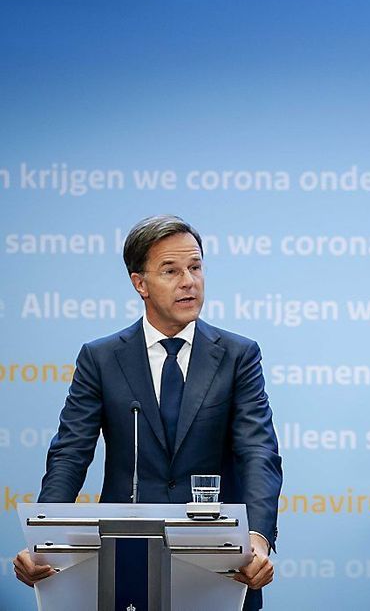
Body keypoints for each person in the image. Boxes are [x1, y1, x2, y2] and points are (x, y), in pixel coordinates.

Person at [13, 215, 283, 610]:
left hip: (219, 561)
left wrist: (257, 539)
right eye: (171, 271)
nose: (188, 281)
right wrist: (43, 543)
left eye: (195, 267)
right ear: (140, 283)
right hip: (124, 557)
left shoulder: (238, 355)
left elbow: (258, 452)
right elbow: (70, 453)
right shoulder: (102, 358)